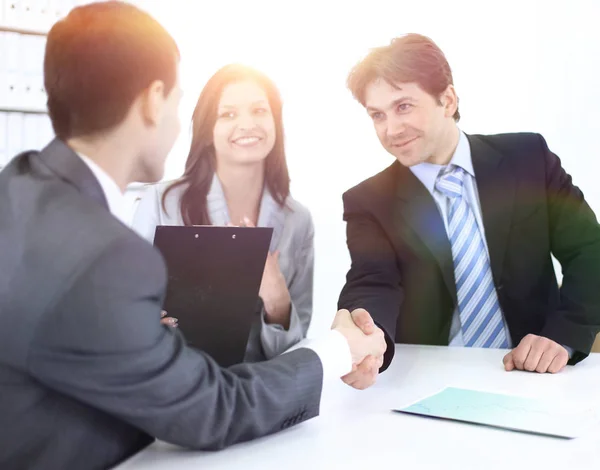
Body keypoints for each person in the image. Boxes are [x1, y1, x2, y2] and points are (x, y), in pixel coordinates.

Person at [0, 3, 386, 469]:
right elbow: (213, 411)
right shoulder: (105, 254)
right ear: (151, 101)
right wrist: (338, 349)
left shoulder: (19, 188)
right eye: (181, 102)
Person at [337, 33, 600, 388]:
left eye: (403, 106)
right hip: (429, 378)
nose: (391, 130)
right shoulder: (368, 200)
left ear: (447, 99)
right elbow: (372, 280)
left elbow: (588, 249)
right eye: (377, 115)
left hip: (533, 369)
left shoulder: (528, 158)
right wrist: (367, 331)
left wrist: (563, 335)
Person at [133, 64, 314, 362]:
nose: (247, 124)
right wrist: (147, 326)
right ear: (208, 130)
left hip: (260, 393)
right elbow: (127, 315)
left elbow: (295, 352)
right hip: (178, 387)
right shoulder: (160, 202)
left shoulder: (298, 220)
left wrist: (277, 300)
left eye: (259, 111)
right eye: (228, 114)